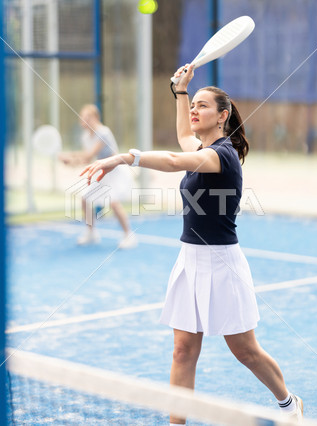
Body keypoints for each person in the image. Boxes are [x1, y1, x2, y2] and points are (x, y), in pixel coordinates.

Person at [80, 66, 304, 424]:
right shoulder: (202, 147)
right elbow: (184, 137)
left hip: (223, 263)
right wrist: (181, 91)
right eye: (192, 106)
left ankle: (289, 404)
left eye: (202, 106)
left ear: (223, 115)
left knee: (245, 351)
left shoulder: (222, 155)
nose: (193, 111)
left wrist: (123, 157)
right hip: (189, 260)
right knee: (182, 351)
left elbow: (172, 160)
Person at [60, 104, 137, 249]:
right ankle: (91, 233)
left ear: (95, 118)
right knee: (85, 198)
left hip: (115, 171)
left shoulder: (104, 132)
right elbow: (86, 160)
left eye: (87, 117)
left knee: (113, 203)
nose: (83, 120)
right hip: (101, 171)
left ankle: (129, 236)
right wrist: (70, 161)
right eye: (82, 117)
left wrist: (69, 157)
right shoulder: (85, 137)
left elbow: (89, 154)